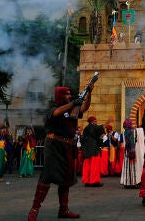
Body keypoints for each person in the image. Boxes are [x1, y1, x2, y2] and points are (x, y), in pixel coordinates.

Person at [27, 86, 93, 220]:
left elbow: (85, 108)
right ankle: (34, 210)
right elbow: (56, 113)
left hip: (68, 147)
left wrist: (89, 93)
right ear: (60, 96)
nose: (69, 95)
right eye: (67, 94)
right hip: (54, 145)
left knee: (66, 178)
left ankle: (63, 210)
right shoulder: (54, 107)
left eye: (70, 93)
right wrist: (74, 102)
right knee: (47, 176)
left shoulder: (73, 108)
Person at [81, 116, 107, 187]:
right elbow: (98, 129)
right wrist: (106, 123)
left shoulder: (88, 129)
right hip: (93, 150)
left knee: (88, 166)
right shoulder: (90, 127)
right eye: (95, 121)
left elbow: (97, 137)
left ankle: (88, 181)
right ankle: (94, 181)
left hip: (88, 150)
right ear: (92, 122)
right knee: (94, 166)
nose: (96, 123)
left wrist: (100, 138)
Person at [120, 120, 145, 189]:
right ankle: (134, 183)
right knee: (134, 167)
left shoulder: (125, 132)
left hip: (127, 153)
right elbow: (140, 131)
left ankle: (127, 183)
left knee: (128, 168)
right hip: (133, 153)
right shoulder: (134, 131)